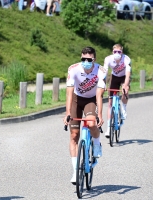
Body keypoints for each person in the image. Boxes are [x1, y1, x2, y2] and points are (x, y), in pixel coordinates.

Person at [63, 47, 106, 185]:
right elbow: (69, 93)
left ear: (94, 59)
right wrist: (68, 112)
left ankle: (96, 143)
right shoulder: (73, 69)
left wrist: (99, 114)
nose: (86, 62)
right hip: (76, 99)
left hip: (91, 100)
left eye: (89, 59)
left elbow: (99, 95)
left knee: (92, 123)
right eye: (83, 59)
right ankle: (76, 171)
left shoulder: (101, 71)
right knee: (74, 135)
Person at [103, 44, 131, 138]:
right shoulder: (108, 59)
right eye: (115, 52)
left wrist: (125, 85)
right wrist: (103, 84)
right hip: (114, 77)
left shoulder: (126, 59)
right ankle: (108, 128)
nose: (117, 53)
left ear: (122, 52)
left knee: (125, 90)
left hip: (123, 77)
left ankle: (123, 108)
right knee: (110, 102)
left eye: (119, 52)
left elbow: (127, 74)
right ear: (112, 52)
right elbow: (105, 72)